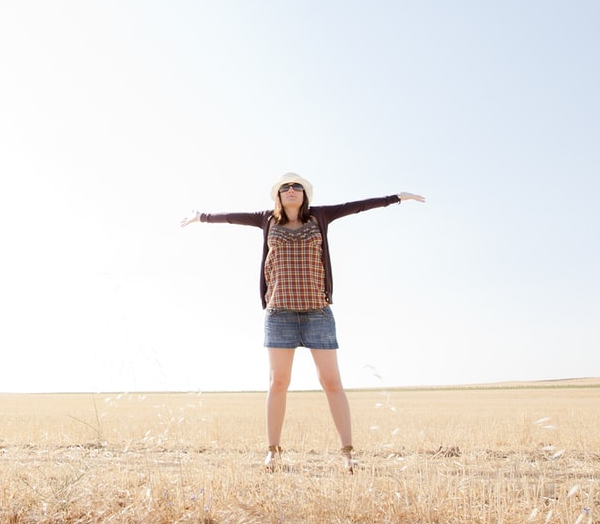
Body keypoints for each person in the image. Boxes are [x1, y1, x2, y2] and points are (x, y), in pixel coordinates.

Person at [181, 173, 424, 471]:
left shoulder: (319, 217)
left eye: (297, 186)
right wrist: (201, 216)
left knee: (331, 382)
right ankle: (273, 452)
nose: (292, 190)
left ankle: (348, 455)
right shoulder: (266, 220)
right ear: (278, 196)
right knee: (278, 383)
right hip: (279, 314)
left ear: (304, 194)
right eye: (286, 187)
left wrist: (396, 198)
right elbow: (232, 218)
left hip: (317, 313)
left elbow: (357, 206)